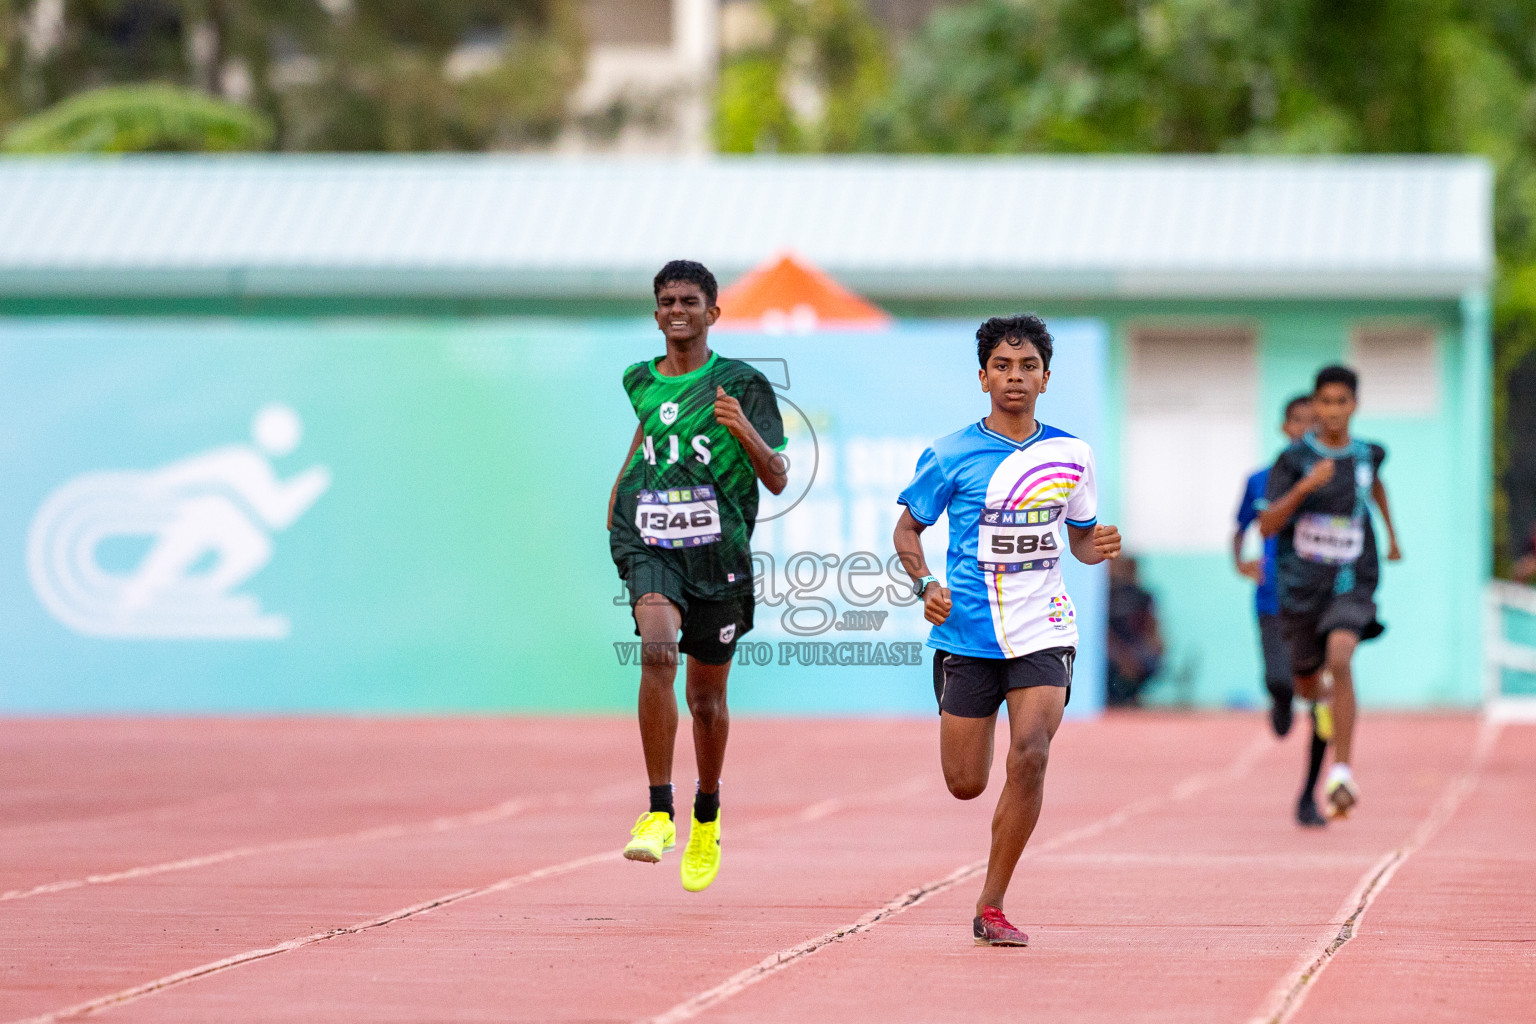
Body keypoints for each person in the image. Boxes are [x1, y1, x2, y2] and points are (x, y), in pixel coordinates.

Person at [893, 314, 1120, 947]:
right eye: (1002, 366)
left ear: (1046, 378)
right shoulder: (949, 454)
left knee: (1033, 753)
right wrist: (925, 586)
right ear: (983, 376)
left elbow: (1079, 541)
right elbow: (907, 530)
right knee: (966, 784)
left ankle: (990, 904)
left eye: (1027, 367)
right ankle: (987, 880)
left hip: (1044, 626)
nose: (1014, 377)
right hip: (966, 632)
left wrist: (1097, 544)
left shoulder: (1072, 455)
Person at [606, 260, 788, 892]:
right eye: (665, 300)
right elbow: (650, 432)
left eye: (688, 299)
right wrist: (617, 500)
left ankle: (706, 813)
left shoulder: (741, 383)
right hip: (651, 542)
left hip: (722, 555)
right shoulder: (639, 379)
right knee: (657, 650)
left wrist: (743, 431)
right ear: (656, 313)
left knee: (706, 700)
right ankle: (658, 811)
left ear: (713, 312)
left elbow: (778, 476)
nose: (675, 309)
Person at [1259, 365, 1401, 822]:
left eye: (1343, 402)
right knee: (1306, 681)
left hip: (1353, 580)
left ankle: (1341, 770)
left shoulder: (1369, 454)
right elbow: (1267, 524)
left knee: (1340, 656)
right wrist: (1305, 488)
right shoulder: (1293, 460)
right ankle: (1320, 703)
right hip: (1301, 586)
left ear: (1354, 405)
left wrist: (1393, 535)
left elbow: (1374, 485)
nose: (1334, 411)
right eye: (1326, 402)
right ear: (1315, 406)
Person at [1233, 396, 1315, 737]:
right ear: (1285, 427)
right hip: (1271, 594)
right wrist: (1241, 563)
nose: (1305, 429)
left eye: (1313, 422)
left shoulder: (1329, 479)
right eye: (1298, 421)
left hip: (1315, 593)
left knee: (1312, 675)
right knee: (1278, 677)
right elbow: (1241, 527)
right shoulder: (1259, 480)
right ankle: (1282, 697)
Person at [1105, 556, 1164, 707]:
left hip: (1136, 650)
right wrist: (1123, 658)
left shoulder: (1143, 597)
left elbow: (1152, 627)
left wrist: (1156, 647)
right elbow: (1104, 635)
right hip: (1115, 652)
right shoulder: (1105, 597)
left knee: (1148, 658)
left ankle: (1130, 695)